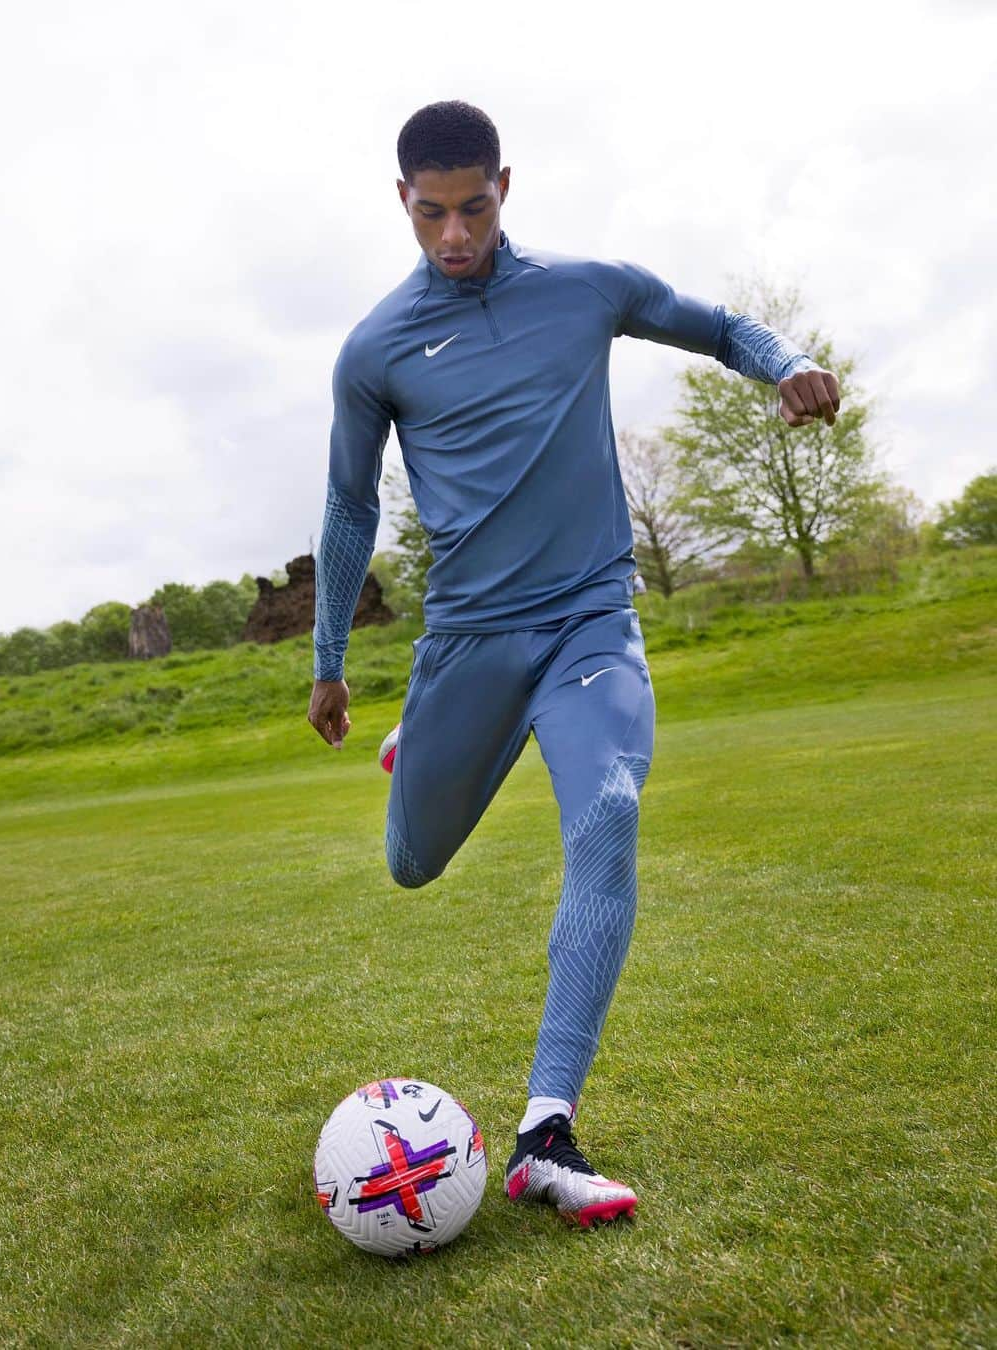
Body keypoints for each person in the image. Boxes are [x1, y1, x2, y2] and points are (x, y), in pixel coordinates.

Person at [307, 101, 840, 1227]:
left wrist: (787, 361)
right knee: (411, 865)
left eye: (476, 207)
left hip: (592, 620)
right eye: (432, 214)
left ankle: (546, 1133)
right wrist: (330, 661)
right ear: (399, 202)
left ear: (507, 185)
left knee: (607, 809)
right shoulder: (374, 350)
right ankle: (426, 741)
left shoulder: (586, 287)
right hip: (469, 640)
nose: (456, 235)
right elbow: (350, 506)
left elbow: (711, 321)